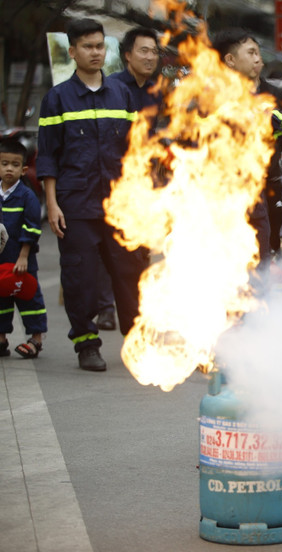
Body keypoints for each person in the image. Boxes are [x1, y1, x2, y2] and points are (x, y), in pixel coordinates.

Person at [37, 18, 147, 371]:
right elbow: (48, 156)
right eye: (87, 46)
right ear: (72, 52)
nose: (95, 52)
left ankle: (135, 345)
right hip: (76, 204)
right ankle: (87, 345)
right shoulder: (57, 99)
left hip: (119, 203)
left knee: (129, 275)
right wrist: (52, 204)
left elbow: (134, 151)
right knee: (80, 277)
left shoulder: (122, 94)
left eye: (100, 46)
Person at [97, 26, 162, 332]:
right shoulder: (110, 88)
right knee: (112, 254)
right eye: (143, 51)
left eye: (154, 51)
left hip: (144, 185)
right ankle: (109, 308)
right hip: (112, 184)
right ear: (127, 55)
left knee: (139, 254)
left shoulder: (155, 92)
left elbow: (155, 137)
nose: (150, 57)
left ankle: (135, 313)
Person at [212, 28, 282, 266]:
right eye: (251, 53)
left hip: (264, 186)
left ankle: (262, 299)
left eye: (258, 53)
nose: (258, 59)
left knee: (265, 253)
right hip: (222, 194)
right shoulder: (209, 96)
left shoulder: (274, 96)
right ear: (230, 60)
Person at [0, 139, 46, 358]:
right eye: (4, 163)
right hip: (2, 260)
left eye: (15, 165)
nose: (9, 168)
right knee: (1, 299)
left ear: (24, 169)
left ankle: (36, 340)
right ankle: (1, 338)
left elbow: (32, 227)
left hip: (22, 260)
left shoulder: (27, 196)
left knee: (29, 297)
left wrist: (24, 256)